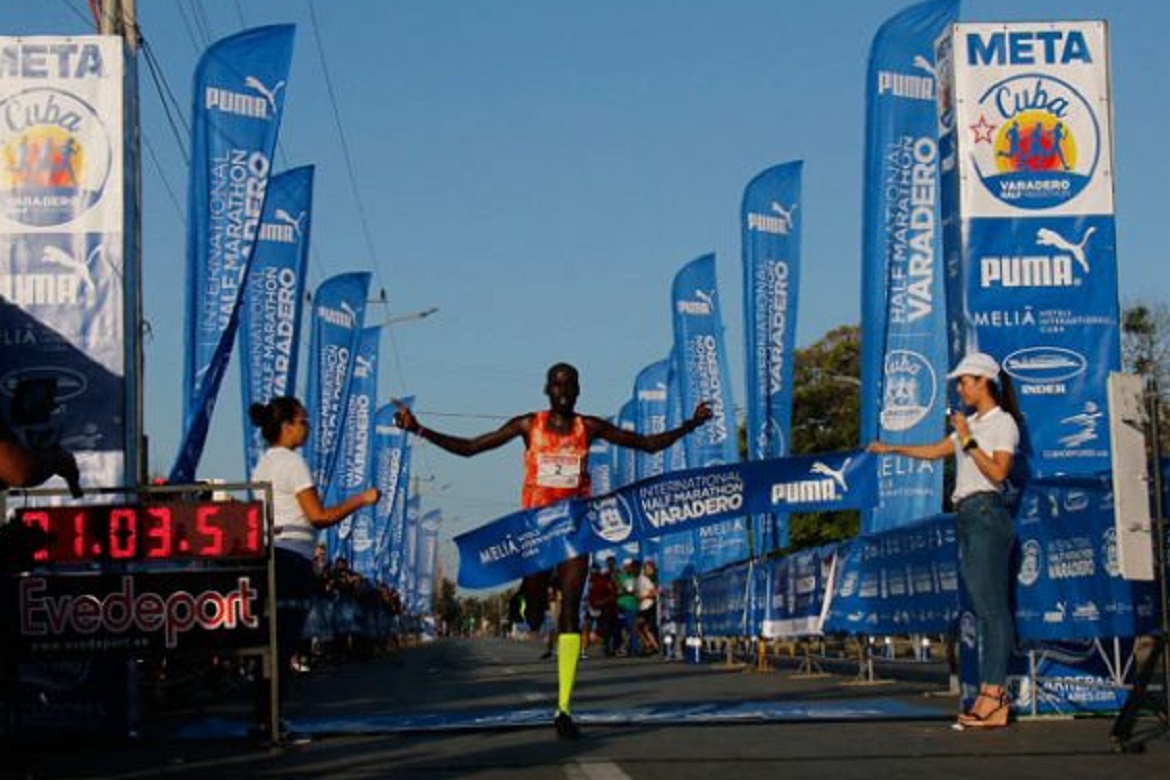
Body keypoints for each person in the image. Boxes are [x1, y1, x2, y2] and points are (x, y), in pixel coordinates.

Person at [394, 361, 711, 739]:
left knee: (571, 611)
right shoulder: (528, 425)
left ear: (578, 391)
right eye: (557, 384)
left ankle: (563, 708)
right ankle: (525, 599)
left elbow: (645, 444)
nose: (563, 390)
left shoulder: (588, 427)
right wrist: (419, 429)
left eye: (570, 384)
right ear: (548, 390)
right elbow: (471, 448)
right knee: (533, 615)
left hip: (575, 529)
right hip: (536, 531)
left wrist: (690, 425)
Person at [867, 352, 1021, 730]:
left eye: (965, 382)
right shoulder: (971, 424)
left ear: (984, 382)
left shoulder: (1002, 423)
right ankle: (989, 693)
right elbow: (936, 451)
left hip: (986, 513)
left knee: (992, 610)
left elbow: (999, 472)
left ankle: (995, 694)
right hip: (966, 515)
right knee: (983, 608)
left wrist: (967, 439)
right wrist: (891, 448)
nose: (960, 389)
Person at [248, 396, 380, 739]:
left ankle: (264, 719)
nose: (307, 428)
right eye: (303, 422)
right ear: (287, 426)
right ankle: (271, 723)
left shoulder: (263, 464)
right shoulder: (292, 463)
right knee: (283, 643)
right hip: (291, 558)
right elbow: (319, 516)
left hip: (270, 556)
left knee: (270, 644)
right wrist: (361, 499)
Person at [0, 414, 82, 497]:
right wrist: (74, 485)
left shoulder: (53, 455)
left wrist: (73, 484)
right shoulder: (54, 454)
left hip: (24, 470)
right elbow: (65, 462)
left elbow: (65, 462)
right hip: (23, 470)